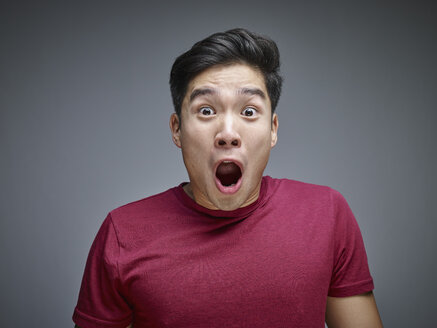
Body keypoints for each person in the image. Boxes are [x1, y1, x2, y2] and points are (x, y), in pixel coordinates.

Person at [73, 28, 383, 328]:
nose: (228, 134)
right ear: (177, 129)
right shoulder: (122, 233)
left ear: (273, 128)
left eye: (249, 112)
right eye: (206, 111)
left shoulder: (326, 213)